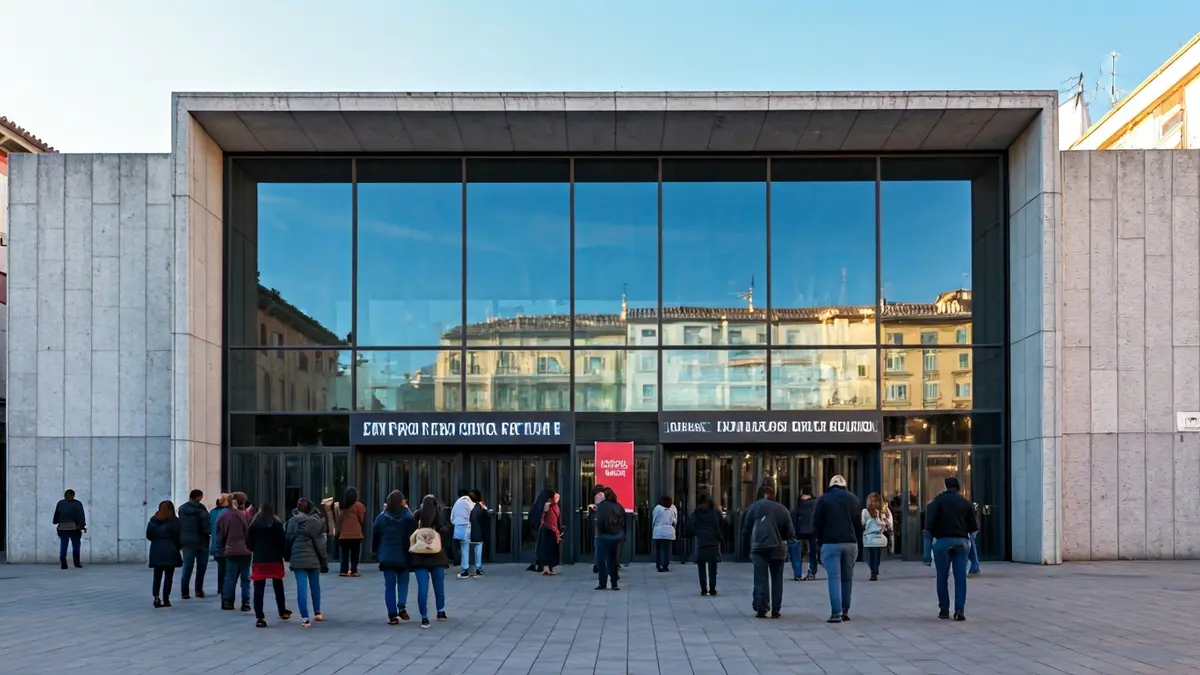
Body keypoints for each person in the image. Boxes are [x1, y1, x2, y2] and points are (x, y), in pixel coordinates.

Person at [812, 475, 863, 624]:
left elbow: (816, 523)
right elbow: (858, 524)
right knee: (847, 578)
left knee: (834, 578)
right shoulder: (853, 499)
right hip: (850, 542)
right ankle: (845, 611)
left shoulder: (823, 499)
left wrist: (819, 542)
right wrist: (858, 542)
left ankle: (836, 613)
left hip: (830, 543)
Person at [926, 477, 978, 621]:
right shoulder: (966, 503)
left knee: (942, 577)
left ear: (946, 486)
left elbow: (929, 525)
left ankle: (944, 609)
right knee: (960, 577)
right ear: (958, 487)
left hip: (942, 541)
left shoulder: (937, 502)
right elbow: (973, 527)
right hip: (961, 541)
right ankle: (959, 610)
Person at [742, 484, 795, 619]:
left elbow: (746, 529)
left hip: (759, 547)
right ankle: (776, 610)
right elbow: (790, 533)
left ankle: (762, 608)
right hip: (778, 547)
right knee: (777, 579)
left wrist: (746, 547)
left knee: (760, 578)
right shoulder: (782, 509)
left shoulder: (754, 507)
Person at [373, 490, 416, 624]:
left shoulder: (381, 517)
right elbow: (413, 529)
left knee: (389, 586)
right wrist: (407, 509)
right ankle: (401, 606)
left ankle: (392, 615)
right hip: (403, 555)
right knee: (403, 582)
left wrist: (376, 553)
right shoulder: (407, 517)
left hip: (387, 556)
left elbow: (375, 535)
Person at [408, 495, 450, 628]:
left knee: (423, 588)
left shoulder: (416, 516)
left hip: (419, 558)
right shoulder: (437, 516)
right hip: (436, 556)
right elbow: (444, 532)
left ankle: (424, 618)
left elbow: (410, 534)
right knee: (439, 585)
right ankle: (441, 611)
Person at [286, 497, 328, 627]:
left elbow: (287, 540)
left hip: (298, 558)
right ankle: (317, 612)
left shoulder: (292, 522)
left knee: (301, 588)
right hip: (313, 558)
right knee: (315, 585)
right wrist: (324, 560)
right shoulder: (315, 522)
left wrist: (288, 555)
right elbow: (320, 544)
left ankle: (305, 618)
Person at [247, 504, 291, 627]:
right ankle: (282, 611)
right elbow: (282, 542)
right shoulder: (277, 524)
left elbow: (250, 544)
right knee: (278, 586)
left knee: (258, 588)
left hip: (259, 559)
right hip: (275, 559)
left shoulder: (254, 525)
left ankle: (260, 617)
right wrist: (284, 555)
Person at [217, 491, 253, 612]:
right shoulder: (247, 515)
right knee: (246, 578)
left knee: (230, 577)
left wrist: (223, 547)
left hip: (231, 550)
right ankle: (246, 602)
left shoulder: (224, 516)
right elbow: (250, 533)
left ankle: (227, 601)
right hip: (245, 551)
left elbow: (220, 534)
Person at [683, 493, 722, 596]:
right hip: (712, 542)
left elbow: (691, 525)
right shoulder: (714, 512)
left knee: (701, 568)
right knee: (713, 568)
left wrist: (691, 534)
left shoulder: (697, 513)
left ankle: (704, 589)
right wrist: (720, 538)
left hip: (701, 542)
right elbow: (718, 526)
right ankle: (712, 589)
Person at [146, 500, 182, 608]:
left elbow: (149, 535)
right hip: (170, 550)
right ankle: (166, 599)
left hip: (156, 550)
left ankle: (156, 598)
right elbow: (179, 536)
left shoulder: (153, 520)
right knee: (168, 577)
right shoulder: (175, 521)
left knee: (157, 576)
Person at [178, 489, 211, 599]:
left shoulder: (182, 509)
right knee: (201, 567)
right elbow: (206, 526)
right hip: (201, 541)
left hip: (187, 541)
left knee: (187, 566)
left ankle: (185, 592)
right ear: (200, 497)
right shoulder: (201, 509)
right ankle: (198, 590)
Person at [594, 487, 626, 591]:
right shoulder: (619, 506)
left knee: (601, 560)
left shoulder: (602, 506)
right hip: (617, 536)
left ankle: (602, 583)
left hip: (604, 536)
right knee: (612, 560)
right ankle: (614, 583)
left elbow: (599, 521)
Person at [862, 492, 892, 581]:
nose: (874, 502)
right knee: (870, 555)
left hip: (878, 534)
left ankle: (874, 571)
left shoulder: (882, 510)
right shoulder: (866, 511)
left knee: (876, 554)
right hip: (869, 535)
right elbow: (862, 522)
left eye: (876, 500)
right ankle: (874, 570)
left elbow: (888, 520)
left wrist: (885, 523)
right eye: (872, 500)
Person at [52, 489, 86, 570]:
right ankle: (76, 562)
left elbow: (56, 515)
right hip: (74, 528)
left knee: (63, 545)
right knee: (76, 545)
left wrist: (56, 521)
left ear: (65, 495)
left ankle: (63, 563)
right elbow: (81, 516)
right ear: (73, 495)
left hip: (62, 527)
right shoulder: (78, 503)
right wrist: (82, 526)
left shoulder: (60, 503)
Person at [789, 486, 818, 581]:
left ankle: (798, 573)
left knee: (797, 551)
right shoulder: (816, 503)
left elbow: (793, 517)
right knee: (812, 552)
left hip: (800, 531)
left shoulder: (800, 505)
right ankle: (812, 572)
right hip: (813, 531)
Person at [336, 487, 366, 578]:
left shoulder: (342, 506)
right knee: (355, 553)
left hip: (344, 534)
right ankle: (353, 570)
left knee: (344, 554)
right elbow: (361, 518)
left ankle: (343, 570)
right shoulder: (359, 506)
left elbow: (338, 520)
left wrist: (337, 531)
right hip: (356, 533)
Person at [209, 494, 231, 597]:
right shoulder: (227, 513)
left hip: (216, 544)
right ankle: (225, 589)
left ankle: (220, 588)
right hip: (225, 544)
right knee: (227, 568)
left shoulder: (213, 512)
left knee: (221, 568)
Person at [536, 490, 563, 576]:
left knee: (548, 549)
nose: (558, 499)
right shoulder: (553, 506)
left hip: (549, 530)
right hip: (550, 530)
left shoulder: (552, 506)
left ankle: (547, 567)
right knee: (549, 549)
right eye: (556, 497)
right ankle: (547, 568)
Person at [451, 489, 476, 579]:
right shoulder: (469, 503)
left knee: (460, 546)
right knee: (466, 548)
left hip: (457, 527)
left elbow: (452, 517)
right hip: (466, 527)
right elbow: (474, 514)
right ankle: (465, 570)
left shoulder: (457, 503)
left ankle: (462, 566)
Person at [526, 488, 551, 572]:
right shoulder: (546, 505)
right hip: (542, 528)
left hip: (535, 528)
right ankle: (542, 564)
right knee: (543, 547)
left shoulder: (537, 504)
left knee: (538, 547)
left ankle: (537, 564)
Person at [651, 496, 678, 572]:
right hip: (669, 531)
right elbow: (675, 521)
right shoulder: (672, 509)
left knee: (658, 549)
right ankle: (665, 566)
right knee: (666, 550)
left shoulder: (658, 508)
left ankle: (659, 565)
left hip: (658, 531)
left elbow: (654, 519)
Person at [466, 489, 487, 577]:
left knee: (466, 550)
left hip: (467, 531)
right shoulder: (480, 506)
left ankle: (466, 568)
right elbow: (484, 519)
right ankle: (478, 568)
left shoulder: (466, 506)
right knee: (478, 550)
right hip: (478, 531)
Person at [589, 484, 606, 575]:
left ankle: (598, 565)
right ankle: (599, 565)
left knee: (598, 548)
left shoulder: (596, 504)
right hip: (604, 531)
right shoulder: (602, 501)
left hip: (598, 531)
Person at [968, 502, 982, 576]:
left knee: (971, 547)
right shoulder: (972, 505)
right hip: (973, 528)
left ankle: (975, 566)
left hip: (970, 529)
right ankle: (975, 566)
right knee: (971, 546)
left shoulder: (971, 506)